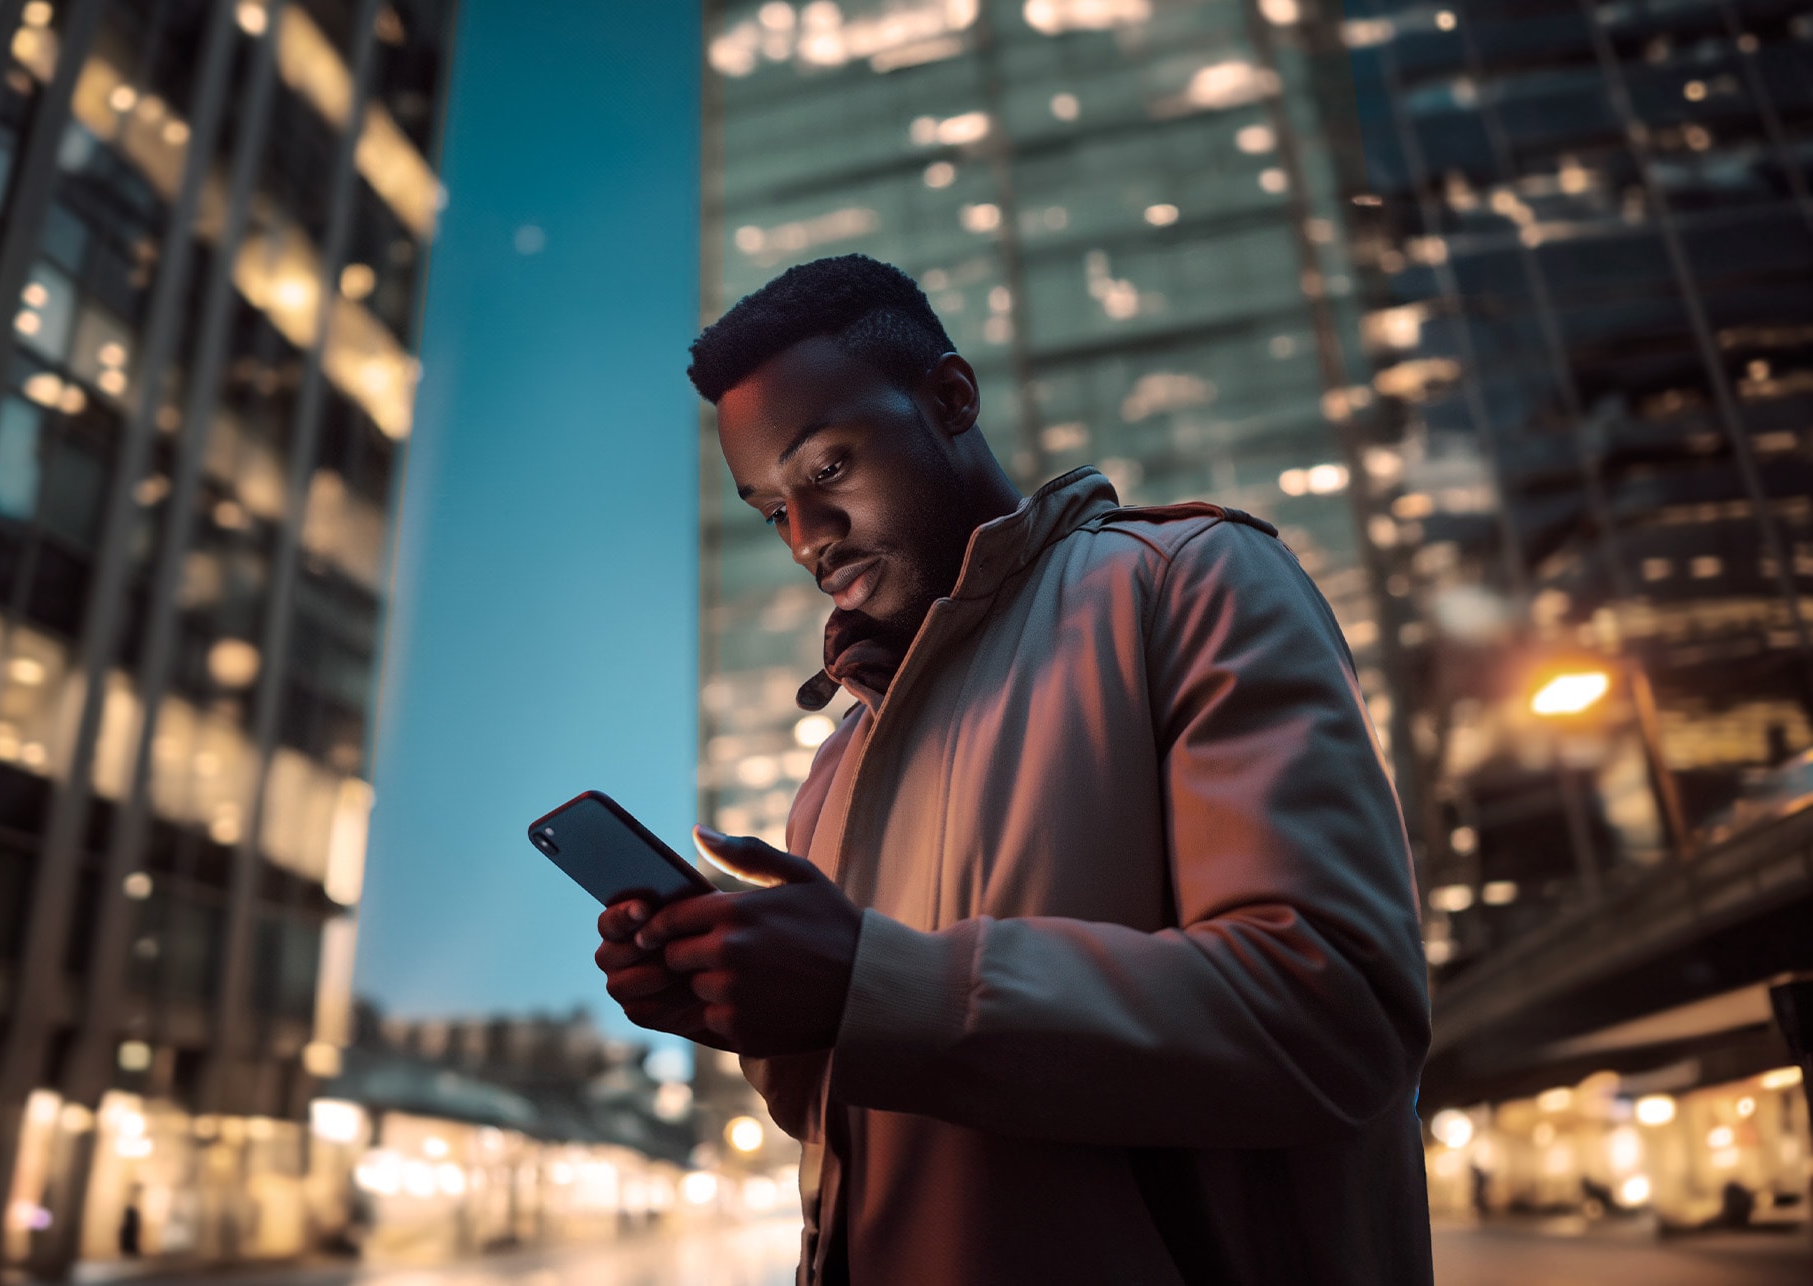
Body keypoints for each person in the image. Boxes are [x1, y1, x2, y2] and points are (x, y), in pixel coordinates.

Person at [594, 254, 1433, 1284]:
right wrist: (741, 1006)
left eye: (827, 470)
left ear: (950, 398)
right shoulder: (836, 766)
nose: (807, 538)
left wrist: (867, 980)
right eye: (771, 508)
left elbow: (1332, 1011)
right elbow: (862, 1124)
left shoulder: (1187, 585)